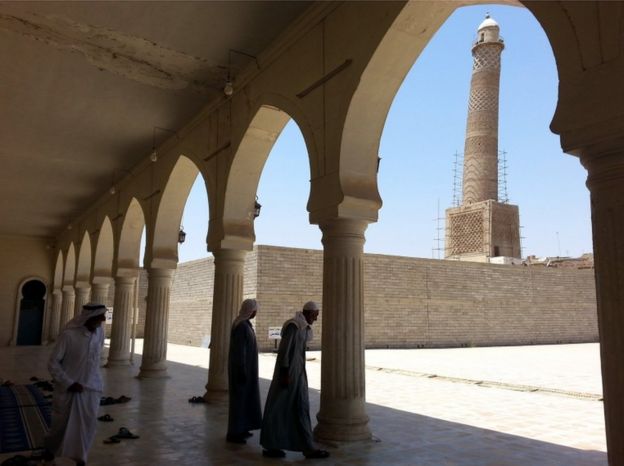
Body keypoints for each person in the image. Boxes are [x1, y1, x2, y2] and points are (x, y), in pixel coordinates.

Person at [260, 301, 330, 459]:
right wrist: (285, 374)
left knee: (300, 408)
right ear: (307, 313)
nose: (316, 319)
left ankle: (307, 447)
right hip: (288, 375)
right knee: (278, 408)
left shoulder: (303, 327)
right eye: (315, 315)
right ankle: (272, 445)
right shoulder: (293, 326)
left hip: (297, 374)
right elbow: (284, 351)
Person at [45, 302, 107, 466]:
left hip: (91, 388)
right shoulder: (69, 335)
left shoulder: (99, 333)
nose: (103, 319)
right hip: (69, 389)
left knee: (87, 424)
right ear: (90, 317)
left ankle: (79, 457)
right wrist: (68, 383)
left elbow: (96, 359)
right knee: (62, 425)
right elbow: (53, 363)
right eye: (100, 316)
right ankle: (55, 452)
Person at [226, 298, 262, 444]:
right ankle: (234, 432)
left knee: (245, 399)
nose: (256, 313)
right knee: (239, 401)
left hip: (247, 368)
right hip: (242, 369)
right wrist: (242, 370)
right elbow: (240, 351)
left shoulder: (245, 324)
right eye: (255, 310)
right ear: (250, 311)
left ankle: (243, 427)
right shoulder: (241, 327)